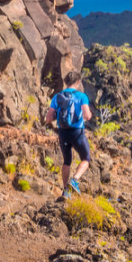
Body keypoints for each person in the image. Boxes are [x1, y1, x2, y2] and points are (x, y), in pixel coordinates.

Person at [45, 70, 92, 199]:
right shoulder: (82, 96)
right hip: (77, 132)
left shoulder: (57, 97)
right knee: (86, 159)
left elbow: (48, 119)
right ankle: (75, 180)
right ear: (78, 82)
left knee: (67, 161)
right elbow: (87, 116)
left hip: (63, 132)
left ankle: (66, 191)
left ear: (66, 82)